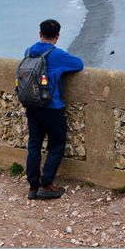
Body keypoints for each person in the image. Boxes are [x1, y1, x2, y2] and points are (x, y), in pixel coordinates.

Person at [23, 19, 84, 200]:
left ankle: (33, 187)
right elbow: (79, 64)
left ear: (39, 34)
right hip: (51, 107)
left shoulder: (28, 51)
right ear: (57, 36)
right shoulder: (57, 55)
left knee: (34, 145)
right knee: (56, 145)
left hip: (32, 105)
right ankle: (46, 185)